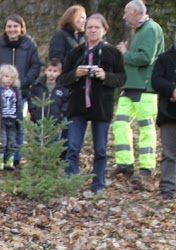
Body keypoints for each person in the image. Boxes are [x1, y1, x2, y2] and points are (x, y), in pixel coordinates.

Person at [61, 14, 126, 194]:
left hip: (101, 107)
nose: (93, 30)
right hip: (77, 106)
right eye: (89, 27)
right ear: (85, 29)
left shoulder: (113, 53)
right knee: (73, 146)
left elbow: (121, 78)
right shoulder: (75, 52)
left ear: (104, 30)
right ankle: (71, 182)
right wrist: (76, 74)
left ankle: (98, 184)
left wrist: (105, 76)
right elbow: (62, 79)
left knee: (101, 149)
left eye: (97, 27)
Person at [113, 1, 165, 178]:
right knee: (120, 123)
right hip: (129, 86)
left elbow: (146, 58)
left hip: (145, 87)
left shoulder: (151, 29)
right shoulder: (138, 30)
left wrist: (124, 53)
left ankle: (146, 168)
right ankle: (125, 164)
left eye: (126, 12)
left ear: (135, 12)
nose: (124, 16)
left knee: (146, 129)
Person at [0, 15, 42, 165]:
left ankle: (15, 157)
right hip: (0, 94)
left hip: (21, 93)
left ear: (21, 28)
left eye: (15, 26)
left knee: (19, 124)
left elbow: (36, 65)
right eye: (9, 26)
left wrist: (23, 82)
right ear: (5, 28)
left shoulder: (29, 44)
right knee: (0, 125)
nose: (12, 29)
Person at [153, 36, 176, 199]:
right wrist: (173, 90)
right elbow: (156, 81)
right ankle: (167, 188)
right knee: (169, 153)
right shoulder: (164, 58)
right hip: (169, 113)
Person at [0, 64, 23, 170]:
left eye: (11, 78)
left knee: (12, 141)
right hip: (2, 119)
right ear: (1, 76)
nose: (8, 80)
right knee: (2, 141)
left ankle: (9, 161)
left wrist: (20, 119)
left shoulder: (16, 91)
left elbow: (19, 106)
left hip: (13, 119)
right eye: (6, 76)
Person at [29, 59, 68, 127]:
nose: (52, 73)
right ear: (45, 70)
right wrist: (33, 112)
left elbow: (66, 102)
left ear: (60, 72)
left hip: (55, 122)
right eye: (49, 70)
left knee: (55, 137)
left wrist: (61, 114)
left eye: (55, 71)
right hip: (38, 121)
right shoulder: (37, 85)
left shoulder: (62, 87)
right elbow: (31, 98)